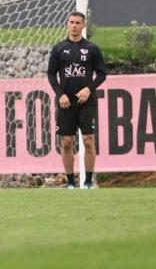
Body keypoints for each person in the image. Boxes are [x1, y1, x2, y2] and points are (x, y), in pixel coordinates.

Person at [47, 10, 107, 190]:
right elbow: (51, 74)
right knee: (66, 142)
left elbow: (102, 74)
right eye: (71, 22)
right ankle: (71, 182)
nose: (74, 26)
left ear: (83, 25)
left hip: (86, 103)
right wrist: (60, 94)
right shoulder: (58, 48)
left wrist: (89, 89)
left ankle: (88, 182)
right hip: (66, 102)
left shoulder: (92, 49)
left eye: (77, 23)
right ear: (67, 24)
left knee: (88, 140)